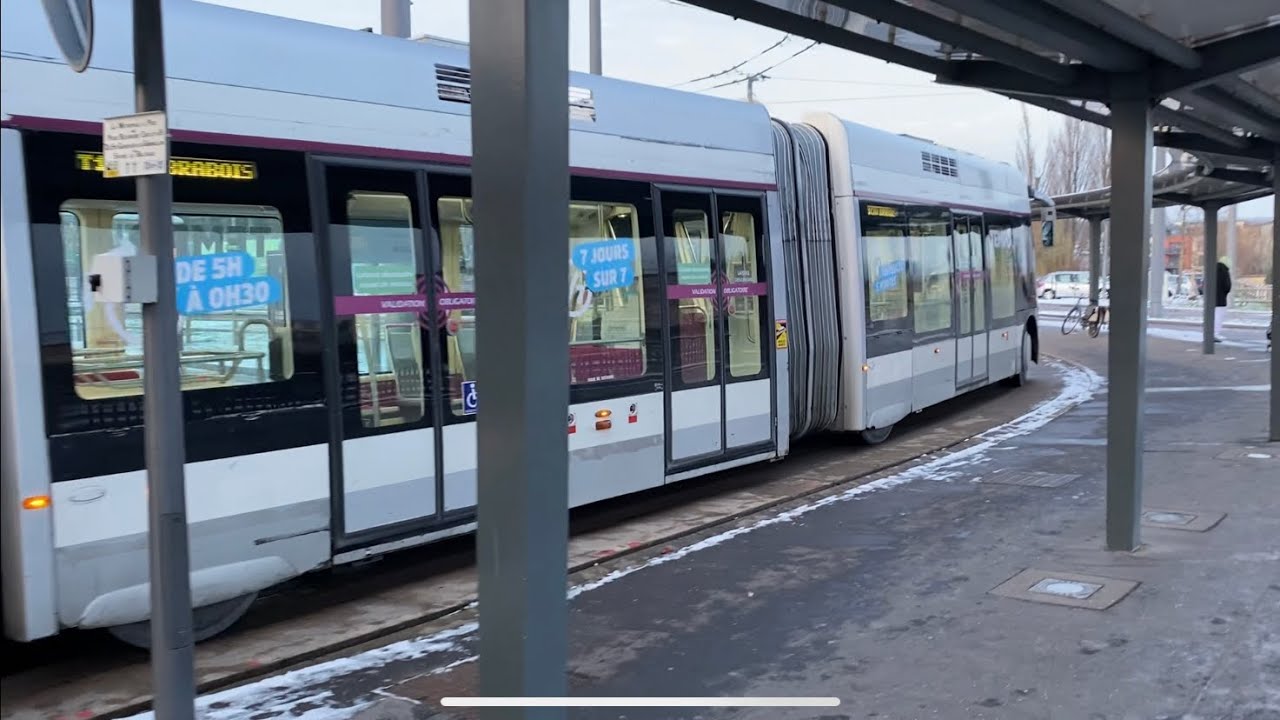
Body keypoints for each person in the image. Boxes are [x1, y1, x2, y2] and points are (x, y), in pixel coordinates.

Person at [1214, 257, 1232, 342]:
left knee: (1212, 317)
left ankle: (1210, 333)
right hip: (1221, 299)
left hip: (1211, 299)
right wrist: (1224, 293)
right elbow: (1227, 286)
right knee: (1219, 317)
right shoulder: (1225, 271)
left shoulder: (1211, 270)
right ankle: (1216, 334)